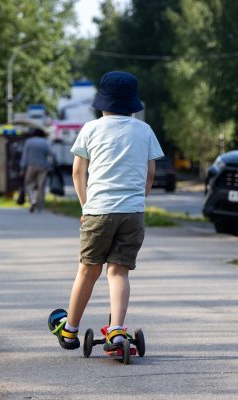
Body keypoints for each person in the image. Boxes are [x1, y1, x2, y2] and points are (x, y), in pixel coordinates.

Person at [48, 71, 164, 351]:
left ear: (102, 103)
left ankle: (70, 330)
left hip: (98, 210)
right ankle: (116, 330)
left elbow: (78, 172)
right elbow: (150, 174)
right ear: (133, 105)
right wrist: (139, 200)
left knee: (88, 270)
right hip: (132, 212)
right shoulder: (145, 130)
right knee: (119, 272)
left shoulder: (90, 129)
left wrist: (85, 205)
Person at [20, 128, 55, 213]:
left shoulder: (28, 142)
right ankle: (40, 206)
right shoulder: (45, 142)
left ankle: (32, 200)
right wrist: (52, 164)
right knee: (41, 186)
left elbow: (25, 156)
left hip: (30, 165)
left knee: (28, 184)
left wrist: (22, 168)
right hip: (43, 166)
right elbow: (52, 154)